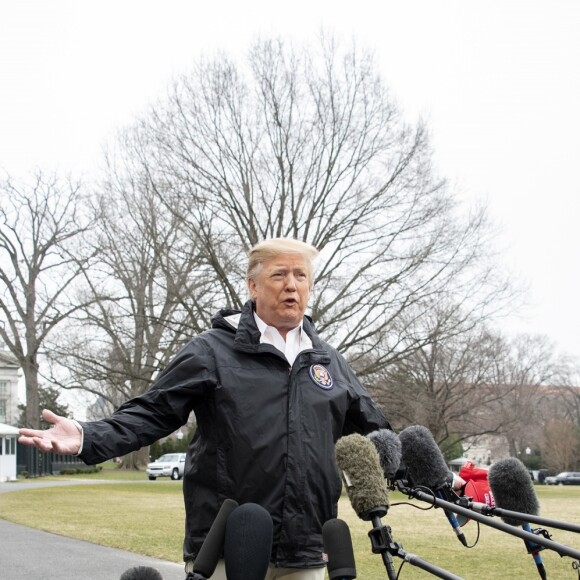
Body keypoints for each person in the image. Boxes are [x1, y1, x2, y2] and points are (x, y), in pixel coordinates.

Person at [19, 237, 391, 580]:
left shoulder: (329, 361)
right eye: (279, 274)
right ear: (253, 286)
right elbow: (153, 411)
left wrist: (437, 478)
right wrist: (87, 436)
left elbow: (378, 435)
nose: (291, 285)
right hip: (227, 548)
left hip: (307, 550)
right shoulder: (212, 350)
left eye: (301, 275)